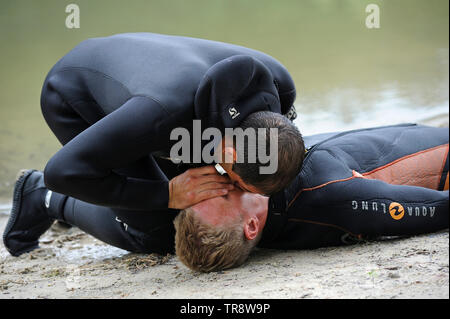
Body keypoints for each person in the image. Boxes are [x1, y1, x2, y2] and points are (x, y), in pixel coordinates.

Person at [3, 33, 306, 257]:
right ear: (228, 151)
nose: (233, 188)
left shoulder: (280, 88)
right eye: (238, 183)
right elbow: (62, 171)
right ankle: (41, 195)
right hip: (76, 96)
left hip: (157, 88)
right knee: (156, 230)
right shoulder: (163, 117)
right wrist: (167, 193)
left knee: (188, 198)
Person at [173, 124, 449, 272]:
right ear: (251, 226)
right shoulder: (326, 194)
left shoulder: (266, 220)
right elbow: (438, 209)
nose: (218, 181)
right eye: (223, 195)